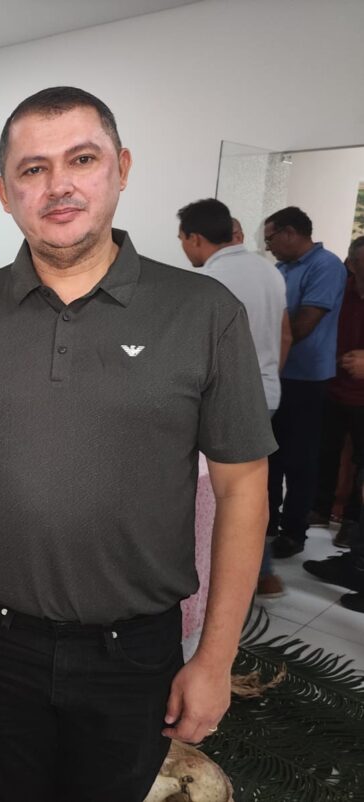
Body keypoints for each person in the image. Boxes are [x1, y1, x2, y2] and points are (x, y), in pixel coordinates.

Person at [0, 86, 274, 801]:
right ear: (4, 192)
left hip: (132, 650)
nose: (59, 185)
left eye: (82, 159)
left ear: (122, 168)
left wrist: (215, 658)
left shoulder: (203, 313)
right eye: (33, 168)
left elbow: (242, 491)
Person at [177, 197, 290, 598]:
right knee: (252, 485)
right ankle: (263, 574)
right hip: (268, 391)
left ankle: (223, 581)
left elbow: (192, 352)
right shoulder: (270, 271)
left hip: (223, 400)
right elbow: (285, 335)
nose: (183, 248)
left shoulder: (208, 282)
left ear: (194, 238)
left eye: (182, 240)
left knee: (222, 493)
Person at [265, 206, 347, 557]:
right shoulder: (281, 269)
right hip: (277, 374)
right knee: (270, 456)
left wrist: (266, 345)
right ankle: (267, 522)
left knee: (300, 459)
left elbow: (303, 324)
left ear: (290, 232)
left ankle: (293, 532)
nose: (268, 247)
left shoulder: (326, 266)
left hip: (306, 378)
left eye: (270, 238)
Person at [312, 236, 364, 549]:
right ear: (352, 264)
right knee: (325, 451)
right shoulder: (341, 290)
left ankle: (352, 524)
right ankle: (320, 509)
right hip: (333, 386)